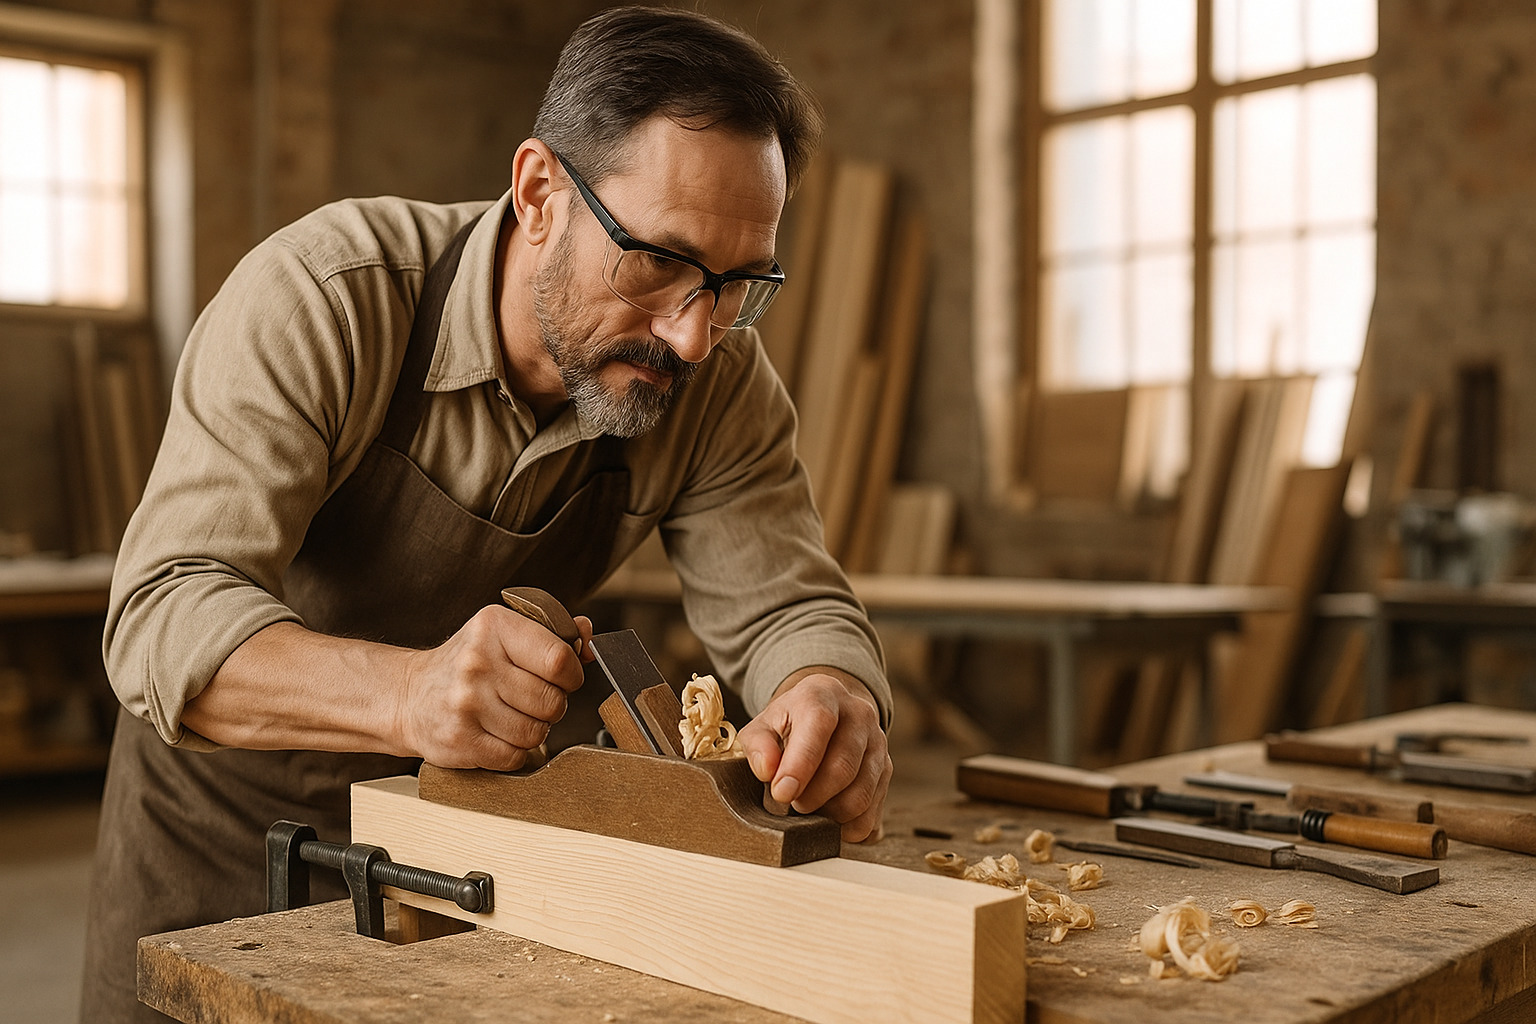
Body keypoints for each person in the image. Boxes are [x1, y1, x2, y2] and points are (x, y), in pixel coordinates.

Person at [80, 6, 892, 1022]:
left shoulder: (717, 384)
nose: (691, 336)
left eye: (737, 286)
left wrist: (829, 691)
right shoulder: (326, 298)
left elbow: (785, 608)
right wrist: (410, 693)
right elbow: (161, 612)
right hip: (224, 840)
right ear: (540, 192)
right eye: (656, 263)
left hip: (468, 853)